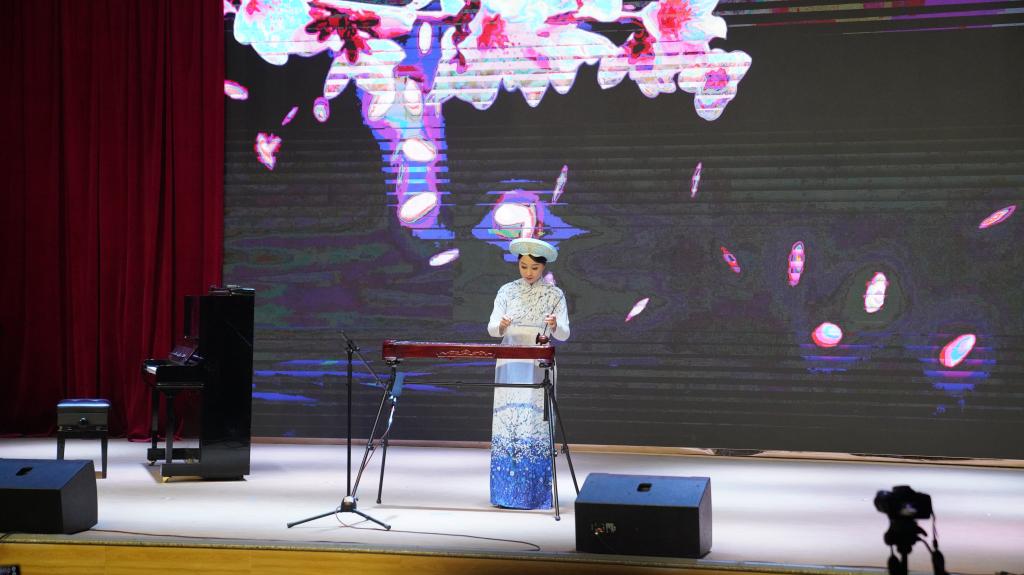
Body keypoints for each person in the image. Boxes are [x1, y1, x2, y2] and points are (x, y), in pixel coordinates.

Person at [486, 238, 570, 509]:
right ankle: (505, 494)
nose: (528, 272)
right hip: (510, 361)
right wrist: (501, 325)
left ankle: (535, 494)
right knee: (508, 420)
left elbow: (564, 334)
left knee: (536, 421)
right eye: (523, 266)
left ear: (543, 267)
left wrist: (555, 325)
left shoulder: (554, 294)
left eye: (534, 267)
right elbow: (492, 329)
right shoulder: (506, 291)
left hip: (538, 362)